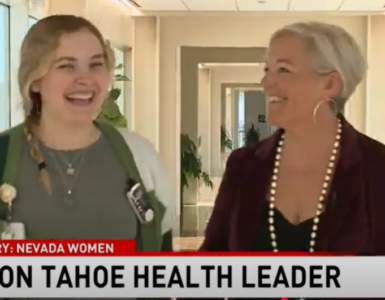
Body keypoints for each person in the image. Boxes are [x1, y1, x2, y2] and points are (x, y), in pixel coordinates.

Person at [203, 22, 385, 257]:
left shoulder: (377, 167)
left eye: (283, 70)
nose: (265, 84)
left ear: (330, 84)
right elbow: (212, 258)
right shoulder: (243, 165)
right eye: (267, 70)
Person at [0, 15, 173, 256]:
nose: (85, 79)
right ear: (35, 81)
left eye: (95, 65)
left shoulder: (141, 156)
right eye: (66, 66)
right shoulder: (4, 155)